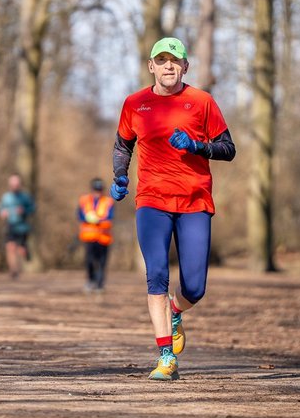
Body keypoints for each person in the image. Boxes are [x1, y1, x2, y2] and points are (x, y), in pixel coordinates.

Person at [111, 37, 236, 381]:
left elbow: (228, 148)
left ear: (185, 67)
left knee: (194, 287)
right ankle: (166, 356)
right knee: (157, 277)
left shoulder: (202, 101)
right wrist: (120, 175)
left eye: (175, 60)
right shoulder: (135, 103)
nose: (168, 65)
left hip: (194, 201)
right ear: (151, 66)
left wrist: (197, 145)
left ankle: (177, 311)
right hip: (151, 201)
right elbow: (123, 145)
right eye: (161, 60)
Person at [77, 178, 114, 293]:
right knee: (89, 260)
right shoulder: (84, 200)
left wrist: (98, 220)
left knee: (102, 261)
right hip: (89, 236)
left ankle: (100, 284)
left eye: (100, 190)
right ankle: (90, 280)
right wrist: (89, 218)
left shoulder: (108, 201)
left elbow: (110, 216)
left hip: (103, 237)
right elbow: (80, 215)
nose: (98, 192)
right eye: (96, 190)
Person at [0, 174, 35, 279]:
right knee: (10, 247)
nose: (14, 185)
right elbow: (0, 208)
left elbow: (32, 208)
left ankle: (25, 255)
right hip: (10, 225)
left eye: (16, 183)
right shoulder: (6, 197)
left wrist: (24, 211)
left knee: (20, 250)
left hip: (22, 226)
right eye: (12, 183)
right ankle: (13, 270)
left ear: (20, 185)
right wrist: (3, 213)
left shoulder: (25, 197)